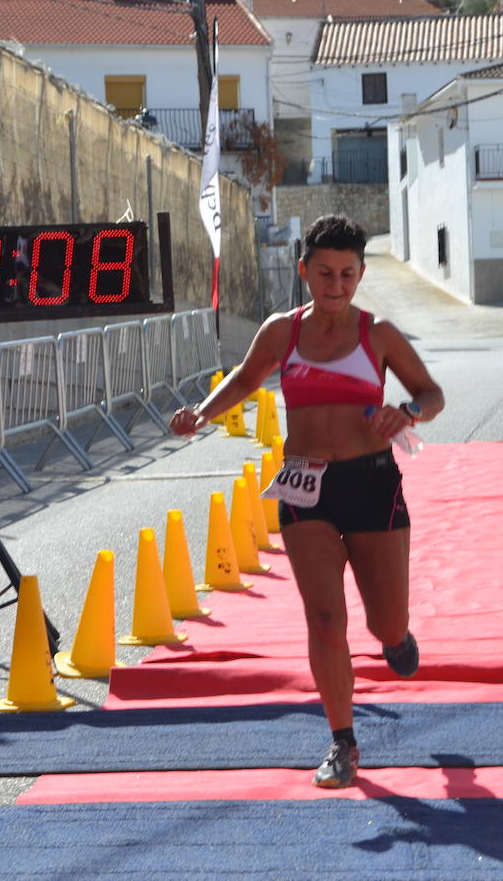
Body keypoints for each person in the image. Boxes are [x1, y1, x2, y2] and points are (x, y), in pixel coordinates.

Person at [169, 214, 444, 789]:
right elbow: (245, 380)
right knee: (324, 617)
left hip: (371, 483)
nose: (335, 285)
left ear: (361, 274)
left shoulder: (379, 335)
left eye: (347, 274)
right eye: (324, 273)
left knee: (385, 621)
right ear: (304, 272)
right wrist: (202, 412)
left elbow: (430, 392)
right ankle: (343, 742)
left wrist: (409, 413)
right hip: (305, 486)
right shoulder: (282, 331)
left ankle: (396, 637)